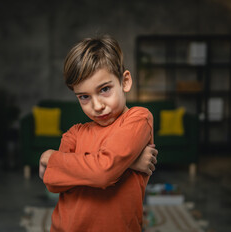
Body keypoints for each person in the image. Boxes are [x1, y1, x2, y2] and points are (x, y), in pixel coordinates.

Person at [39, 35, 158, 232]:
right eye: (84, 97)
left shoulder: (138, 119)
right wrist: (129, 162)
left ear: (125, 81)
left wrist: (50, 157)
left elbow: (104, 172)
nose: (97, 106)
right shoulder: (74, 133)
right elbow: (52, 182)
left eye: (104, 89)